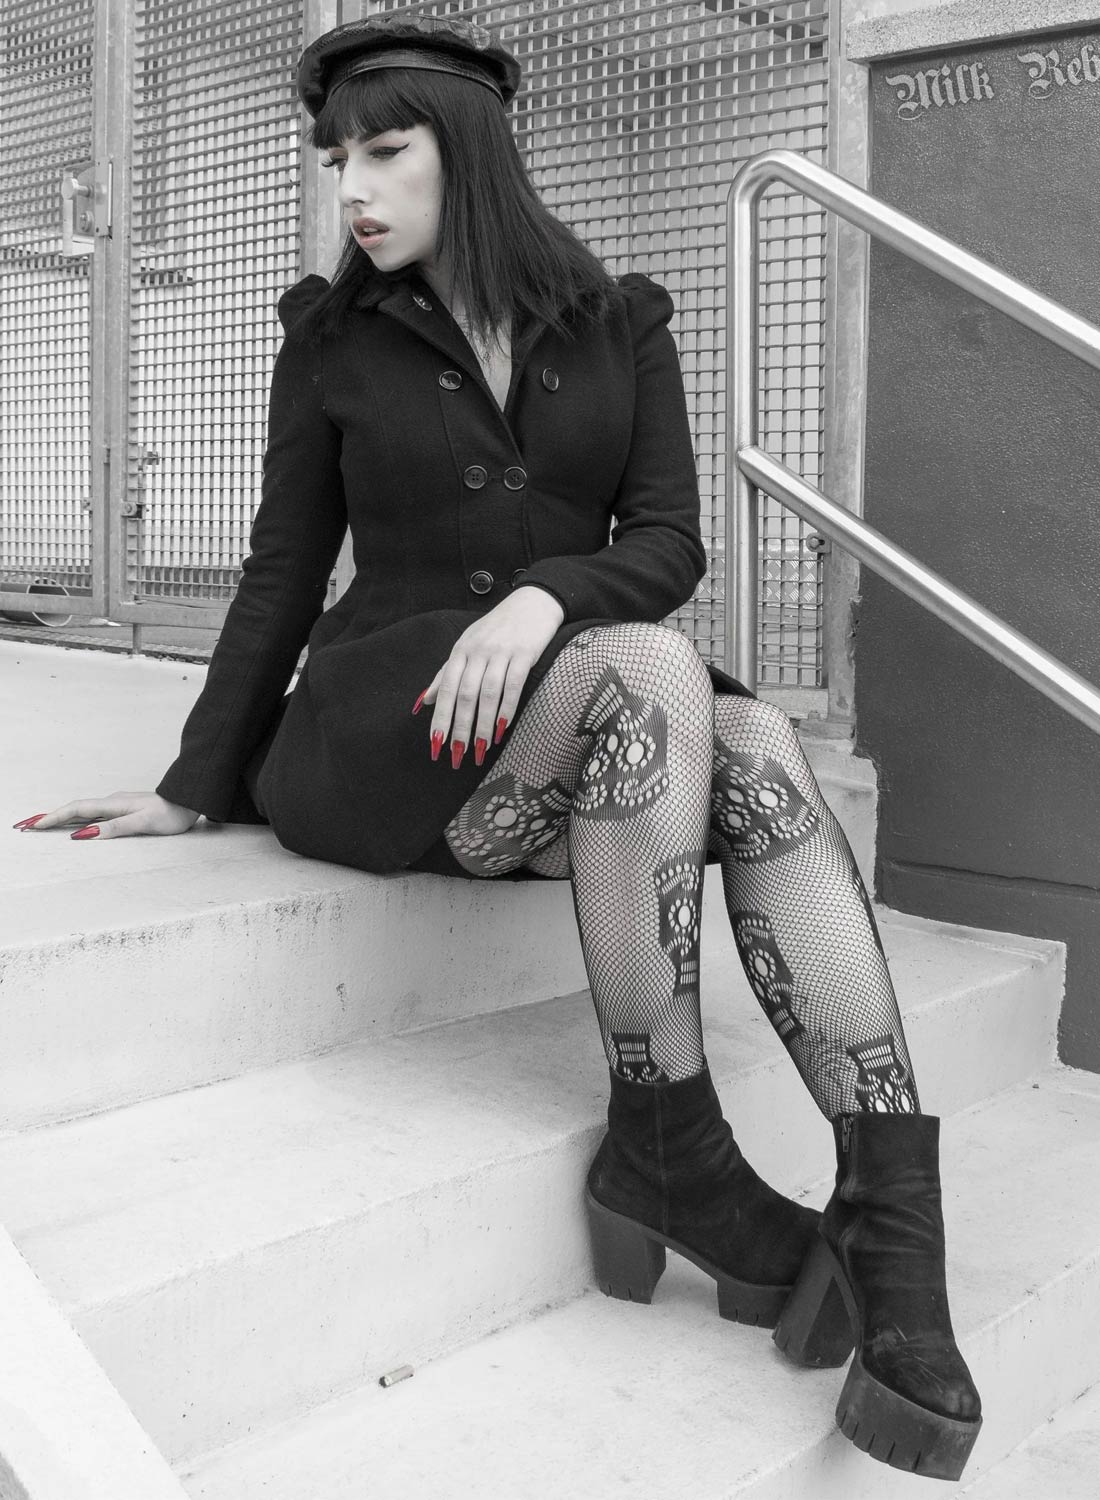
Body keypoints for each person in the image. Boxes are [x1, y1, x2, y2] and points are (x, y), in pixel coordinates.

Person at [12, 12, 981, 1481]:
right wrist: (191, 786)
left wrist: (542, 599)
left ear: (467, 155)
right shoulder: (330, 337)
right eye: (336, 160)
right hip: (385, 747)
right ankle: (683, 1148)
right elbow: (283, 569)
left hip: (583, 745)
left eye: (385, 151)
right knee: (658, 673)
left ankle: (885, 1228)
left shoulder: (616, 321)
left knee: (749, 739)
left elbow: (668, 541)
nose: (353, 188)